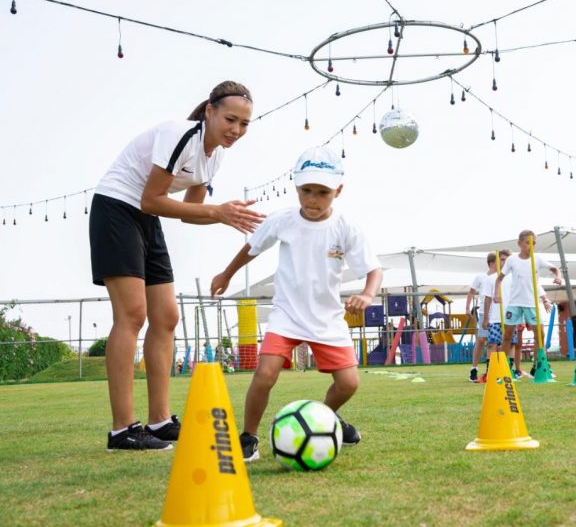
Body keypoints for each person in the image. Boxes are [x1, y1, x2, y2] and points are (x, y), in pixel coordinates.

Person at [90, 81, 265, 451]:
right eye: (230, 119)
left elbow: (190, 212)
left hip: (145, 218)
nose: (236, 130)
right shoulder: (180, 135)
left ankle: (159, 421)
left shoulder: (214, 155)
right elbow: (152, 199)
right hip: (116, 209)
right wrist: (215, 211)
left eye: (245, 124)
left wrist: (223, 216)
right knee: (132, 315)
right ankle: (122, 429)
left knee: (167, 317)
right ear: (209, 111)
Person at [210, 146, 382, 462]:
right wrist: (226, 273)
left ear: (338, 191)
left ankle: (326, 419)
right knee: (265, 373)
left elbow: (373, 270)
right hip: (287, 314)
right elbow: (252, 247)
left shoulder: (346, 228)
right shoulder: (283, 221)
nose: (313, 199)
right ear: (296, 187)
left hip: (328, 319)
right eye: (306, 190)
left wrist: (368, 294)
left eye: (322, 192)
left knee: (348, 383)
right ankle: (248, 437)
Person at [495, 230, 560, 379]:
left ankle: (539, 366)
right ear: (520, 244)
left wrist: (558, 277)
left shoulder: (537, 259)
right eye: (528, 242)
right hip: (514, 303)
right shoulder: (512, 260)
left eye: (534, 243)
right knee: (507, 335)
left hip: (531, 303)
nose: (531, 245)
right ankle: (504, 369)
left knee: (540, 335)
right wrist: (496, 293)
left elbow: (555, 269)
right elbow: (499, 278)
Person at [480, 249, 513, 382]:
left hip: (510, 316)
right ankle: (490, 372)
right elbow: (487, 298)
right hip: (494, 317)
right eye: (502, 259)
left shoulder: (512, 278)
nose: (504, 262)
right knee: (492, 344)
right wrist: (486, 317)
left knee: (510, 344)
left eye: (506, 259)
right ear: (497, 261)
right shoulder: (490, 279)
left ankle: (509, 371)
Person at [466, 253, 497, 383]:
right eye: (498, 262)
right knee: (481, 340)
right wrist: (467, 308)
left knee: (493, 342)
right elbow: (471, 292)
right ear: (491, 263)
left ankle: (491, 371)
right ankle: (474, 368)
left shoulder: (501, 278)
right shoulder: (481, 277)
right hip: (484, 312)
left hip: (496, 313)